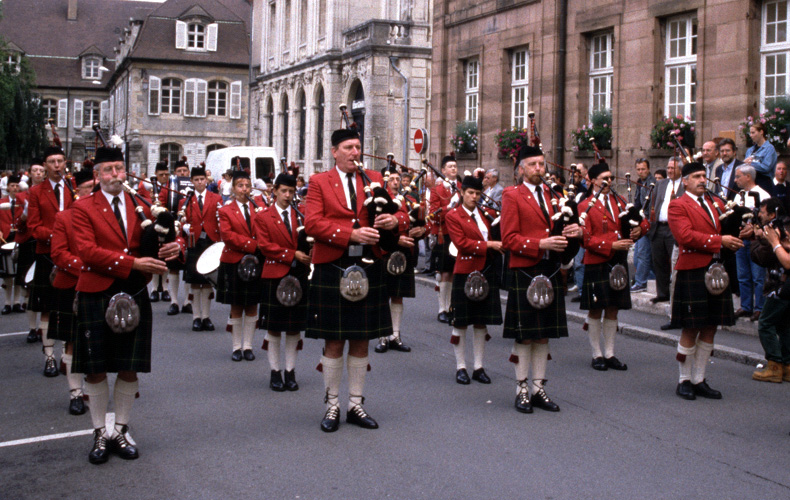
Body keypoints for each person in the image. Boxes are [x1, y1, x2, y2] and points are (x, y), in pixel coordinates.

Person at [72, 146, 184, 464]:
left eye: (119, 169)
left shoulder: (139, 204)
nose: (115, 175)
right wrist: (133, 264)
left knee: (128, 366)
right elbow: (87, 251)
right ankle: (98, 431)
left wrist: (173, 248)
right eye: (108, 170)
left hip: (133, 293)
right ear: (97, 176)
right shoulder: (83, 208)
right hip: (97, 292)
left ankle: (120, 429)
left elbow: (156, 245)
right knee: (94, 370)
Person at [304, 129, 399, 433]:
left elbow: (400, 212)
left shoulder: (374, 178)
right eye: (348, 147)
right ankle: (332, 405)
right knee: (334, 340)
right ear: (334, 151)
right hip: (333, 264)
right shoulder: (319, 182)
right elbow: (313, 223)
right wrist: (351, 235)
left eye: (358, 147)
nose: (354, 152)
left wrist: (394, 221)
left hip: (368, 264)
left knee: (361, 338)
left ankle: (355, 404)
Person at [501, 145, 583, 414]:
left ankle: (538, 388)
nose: (539, 168)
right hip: (526, 269)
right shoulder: (511, 195)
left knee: (544, 334)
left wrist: (574, 231)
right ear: (521, 169)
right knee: (525, 335)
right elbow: (509, 238)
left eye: (542, 163)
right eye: (533, 164)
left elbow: (562, 226)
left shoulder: (554, 194)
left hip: (549, 269)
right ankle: (521, 388)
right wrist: (540, 243)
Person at [668, 161, 743, 400]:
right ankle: (684, 380)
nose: (703, 180)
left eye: (704, 175)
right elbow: (686, 236)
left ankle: (699, 379)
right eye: (697, 176)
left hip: (716, 269)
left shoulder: (716, 203)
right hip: (693, 270)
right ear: (686, 181)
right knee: (691, 327)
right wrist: (720, 241)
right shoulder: (677, 205)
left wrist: (743, 233)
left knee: (711, 325)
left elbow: (726, 230)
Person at [578, 162, 649, 371]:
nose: (608, 182)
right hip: (597, 262)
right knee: (595, 309)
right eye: (603, 179)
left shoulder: (621, 201)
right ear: (592, 181)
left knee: (613, 309)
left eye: (610, 178)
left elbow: (643, 222)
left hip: (617, 262)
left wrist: (639, 231)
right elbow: (586, 240)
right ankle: (596, 354)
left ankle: (609, 353)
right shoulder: (585, 205)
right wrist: (611, 244)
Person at [254, 173, 311, 391]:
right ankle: (275, 371)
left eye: (291, 191)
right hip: (275, 275)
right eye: (284, 191)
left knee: (294, 328)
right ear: (274, 191)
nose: (288, 195)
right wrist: (292, 254)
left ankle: (290, 371)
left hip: (299, 276)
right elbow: (265, 246)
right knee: (275, 328)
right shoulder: (263, 217)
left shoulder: (301, 215)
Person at [445, 175, 503, 384]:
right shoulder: (453, 216)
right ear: (462, 193)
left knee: (481, 322)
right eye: (470, 193)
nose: (474, 197)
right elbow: (462, 243)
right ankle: (461, 367)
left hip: (485, 271)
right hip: (465, 271)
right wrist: (489, 245)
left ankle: (478, 367)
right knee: (461, 322)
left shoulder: (485, 214)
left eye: (478, 193)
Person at [49, 168, 95, 415]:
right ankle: (75, 393)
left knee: (93, 339)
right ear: (78, 191)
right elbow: (58, 253)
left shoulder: (104, 217)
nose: (93, 192)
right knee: (72, 342)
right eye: (88, 188)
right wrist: (85, 267)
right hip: (71, 284)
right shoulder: (64, 217)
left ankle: (92, 387)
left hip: (98, 285)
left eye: (95, 187)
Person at [27, 146, 76, 377]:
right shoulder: (36, 192)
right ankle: (49, 356)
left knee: (67, 307)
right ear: (45, 166)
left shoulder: (72, 188)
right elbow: (34, 227)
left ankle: (69, 356)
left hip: (71, 255)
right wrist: (57, 235)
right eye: (52, 162)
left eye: (60, 161)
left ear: (65, 163)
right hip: (47, 253)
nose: (57, 165)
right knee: (47, 307)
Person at [217, 170, 261, 362]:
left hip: (255, 262)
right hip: (234, 260)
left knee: (252, 305)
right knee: (236, 306)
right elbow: (227, 236)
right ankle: (236, 347)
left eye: (247, 186)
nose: (244, 189)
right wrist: (253, 245)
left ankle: (248, 346)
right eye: (240, 186)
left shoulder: (259, 208)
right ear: (233, 189)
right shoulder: (225, 210)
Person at [375, 168, 418, 354]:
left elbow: (418, 223)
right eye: (391, 179)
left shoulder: (409, 201)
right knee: (383, 294)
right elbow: (376, 224)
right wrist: (396, 237)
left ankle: (395, 335)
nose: (395, 182)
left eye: (397, 179)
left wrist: (421, 232)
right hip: (384, 252)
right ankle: (382, 337)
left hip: (403, 253)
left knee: (398, 295)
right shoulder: (379, 202)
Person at [179, 166, 221, 331]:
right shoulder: (186, 200)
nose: (199, 182)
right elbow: (180, 219)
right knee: (196, 282)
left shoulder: (216, 198)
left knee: (207, 282)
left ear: (206, 180)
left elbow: (220, 218)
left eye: (202, 179)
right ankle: (196, 316)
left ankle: (206, 317)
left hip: (210, 241)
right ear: (192, 182)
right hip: (194, 241)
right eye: (196, 180)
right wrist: (184, 226)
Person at [732, 165, 772, 322]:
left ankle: (759, 308)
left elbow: (766, 218)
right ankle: (746, 306)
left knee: (758, 276)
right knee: (742, 274)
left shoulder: (762, 194)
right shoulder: (739, 195)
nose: (735, 180)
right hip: (741, 238)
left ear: (748, 177)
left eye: (738, 176)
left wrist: (754, 227)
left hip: (756, 240)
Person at [647, 157, 683, 305]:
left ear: (680, 170)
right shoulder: (661, 184)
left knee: (675, 263)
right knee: (659, 261)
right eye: (668, 168)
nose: (669, 171)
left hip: (674, 229)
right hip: (658, 227)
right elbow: (653, 203)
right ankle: (662, 293)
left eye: (672, 168)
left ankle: (677, 295)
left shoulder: (684, 185)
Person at [0, 174, 26, 314]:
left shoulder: (23, 203)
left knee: (18, 273)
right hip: (5, 240)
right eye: (12, 186)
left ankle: (16, 302)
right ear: (8, 187)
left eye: (17, 186)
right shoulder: (1, 202)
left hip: (19, 239)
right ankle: (7, 302)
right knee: (8, 274)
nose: (15, 188)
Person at [631, 158, 656, 292]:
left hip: (649, 223)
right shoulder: (640, 183)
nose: (641, 172)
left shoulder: (652, 184)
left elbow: (649, 206)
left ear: (648, 169)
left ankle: (641, 282)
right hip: (641, 221)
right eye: (638, 169)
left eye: (643, 169)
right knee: (641, 254)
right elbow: (638, 203)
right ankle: (647, 280)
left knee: (642, 253)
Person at [744, 122, 778, 194]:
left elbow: (766, 167)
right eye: (750, 133)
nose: (751, 135)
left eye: (753, 132)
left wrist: (751, 163)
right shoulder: (750, 150)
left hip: (764, 183)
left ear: (761, 132)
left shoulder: (769, 148)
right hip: (751, 182)